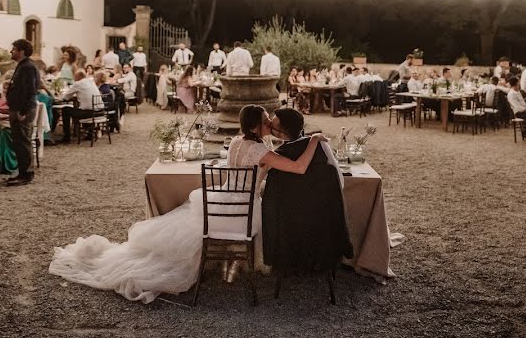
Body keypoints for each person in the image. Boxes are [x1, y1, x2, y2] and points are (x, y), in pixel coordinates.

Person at [49, 104, 324, 304]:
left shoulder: (239, 141)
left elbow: (250, 171)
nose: (271, 125)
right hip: (241, 211)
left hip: (223, 201)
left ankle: (226, 262)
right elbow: (299, 168)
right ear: (256, 126)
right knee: (274, 214)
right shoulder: (262, 150)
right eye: (267, 121)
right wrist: (313, 140)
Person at [6, 39, 39, 186]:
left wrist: (23, 111)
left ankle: (26, 174)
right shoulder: (23, 66)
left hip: (22, 110)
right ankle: (21, 172)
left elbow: (30, 90)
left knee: (23, 141)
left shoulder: (27, 67)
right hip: (17, 109)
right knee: (18, 142)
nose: (11, 51)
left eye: (14, 49)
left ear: (21, 51)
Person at [58, 70, 102, 144]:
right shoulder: (91, 82)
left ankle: (67, 137)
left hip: (89, 112)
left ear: (78, 77)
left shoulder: (78, 84)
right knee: (82, 107)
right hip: (100, 111)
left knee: (65, 110)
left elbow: (66, 97)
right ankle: (89, 133)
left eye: (74, 77)